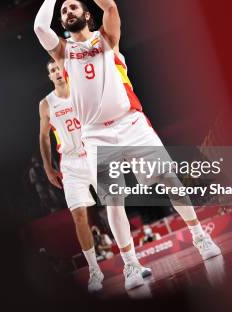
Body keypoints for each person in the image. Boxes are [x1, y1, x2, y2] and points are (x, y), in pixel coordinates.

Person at [32, 0, 221, 287]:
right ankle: (132, 265)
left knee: (169, 181)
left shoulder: (107, 41)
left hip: (131, 124)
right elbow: (38, 27)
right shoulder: (63, 54)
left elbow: (112, 9)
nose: (68, 11)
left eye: (73, 7)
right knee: (113, 201)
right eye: (64, 10)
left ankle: (200, 237)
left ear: (86, 14)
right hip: (96, 136)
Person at [39, 59, 150, 292]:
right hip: (70, 163)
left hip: (93, 152)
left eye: (58, 68)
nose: (57, 72)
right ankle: (94, 271)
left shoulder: (81, 92)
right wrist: (48, 167)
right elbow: (43, 137)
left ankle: (132, 263)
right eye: (52, 71)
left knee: (115, 204)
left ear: (64, 70)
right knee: (79, 216)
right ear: (49, 76)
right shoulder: (46, 104)